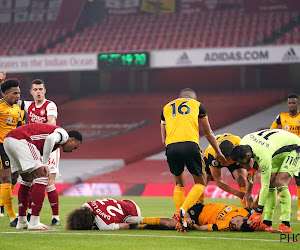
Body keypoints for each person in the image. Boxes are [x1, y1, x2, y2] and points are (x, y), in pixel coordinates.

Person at [160, 88, 227, 232]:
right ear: (193, 98)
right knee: (201, 182)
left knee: (179, 184)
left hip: (171, 147)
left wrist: (170, 148)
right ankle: (183, 211)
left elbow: (163, 137)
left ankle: (179, 219)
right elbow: (208, 133)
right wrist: (219, 152)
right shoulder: (197, 105)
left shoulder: (166, 108)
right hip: (190, 145)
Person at [3, 123, 82, 230]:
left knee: (27, 179)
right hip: (22, 140)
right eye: (75, 147)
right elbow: (50, 138)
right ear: (71, 139)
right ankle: (34, 222)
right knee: (42, 177)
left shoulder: (57, 143)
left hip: (8, 140)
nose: (73, 150)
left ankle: (21, 221)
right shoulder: (63, 135)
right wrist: (44, 163)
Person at [231, 129, 300, 233]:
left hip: (294, 148)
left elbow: (265, 186)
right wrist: (254, 167)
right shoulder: (244, 142)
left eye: (241, 162)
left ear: (248, 155)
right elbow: (256, 154)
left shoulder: (263, 156)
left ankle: (286, 224)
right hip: (276, 149)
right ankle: (267, 224)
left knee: (280, 182)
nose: (240, 165)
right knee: (272, 183)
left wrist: (258, 211)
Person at [22, 79, 61, 226]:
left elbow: (51, 122)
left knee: (49, 181)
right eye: (35, 89)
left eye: (40, 89)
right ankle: (32, 212)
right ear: (31, 92)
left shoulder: (50, 105)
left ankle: (55, 217)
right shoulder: (28, 106)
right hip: (36, 148)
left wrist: (35, 129)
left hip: (50, 148)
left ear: (45, 91)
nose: (38, 92)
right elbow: (10, 99)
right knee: (35, 179)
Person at [126, 201, 255, 232]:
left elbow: (201, 228)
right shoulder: (247, 213)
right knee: (174, 222)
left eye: (235, 227)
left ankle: (139, 223)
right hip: (200, 207)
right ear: (244, 218)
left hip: (196, 218)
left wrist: (193, 224)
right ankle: (138, 222)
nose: (233, 223)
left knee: (172, 224)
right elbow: (257, 212)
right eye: (237, 221)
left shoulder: (223, 226)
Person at [270, 93, 300, 221]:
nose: (292, 105)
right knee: (279, 180)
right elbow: (272, 130)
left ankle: (299, 210)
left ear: (298, 104)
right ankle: (287, 208)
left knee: (299, 181)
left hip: (298, 152)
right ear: (287, 104)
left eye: (294, 103)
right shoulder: (281, 117)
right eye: (290, 103)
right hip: (284, 152)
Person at [0, 78, 23, 226]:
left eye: (19, 93)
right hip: (1, 146)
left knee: (14, 178)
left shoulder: (18, 109)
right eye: (15, 93)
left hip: (14, 147)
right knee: (6, 178)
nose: (18, 96)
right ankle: (12, 217)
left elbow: (20, 128)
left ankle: (2, 204)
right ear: (5, 94)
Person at [204, 133, 248, 207]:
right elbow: (219, 181)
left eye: (226, 161)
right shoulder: (213, 156)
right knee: (202, 182)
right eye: (222, 161)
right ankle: (196, 208)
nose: (224, 163)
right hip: (213, 156)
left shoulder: (240, 145)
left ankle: (248, 209)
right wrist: (237, 193)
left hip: (233, 156)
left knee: (242, 179)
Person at [66, 198, 141, 230]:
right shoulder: (86, 205)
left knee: (129, 223)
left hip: (133, 212)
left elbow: (126, 226)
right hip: (127, 202)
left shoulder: (104, 225)